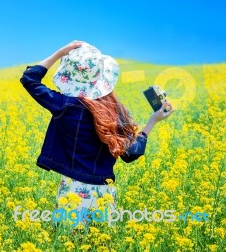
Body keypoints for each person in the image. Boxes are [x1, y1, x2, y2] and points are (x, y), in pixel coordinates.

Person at [19, 41, 174, 226]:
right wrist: (153, 121)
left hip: (73, 191)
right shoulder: (113, 112)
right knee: (100, 242)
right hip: (104, 194)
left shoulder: (64, 105)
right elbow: (131, 153)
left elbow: (29, 79)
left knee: (71, 244)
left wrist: (60, 53)